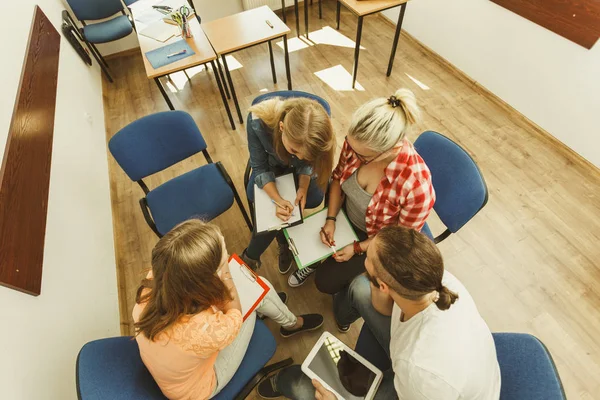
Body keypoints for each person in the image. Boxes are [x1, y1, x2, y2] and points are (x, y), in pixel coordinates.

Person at [257, 225, 501, 399]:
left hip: (424, 385)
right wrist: (373, 280)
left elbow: (420, 373)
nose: (362, 254)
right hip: (423, 362)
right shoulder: (441, 280)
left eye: (366, 258)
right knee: (359, 289)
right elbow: (383, 306)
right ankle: (345, 316)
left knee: (303, 384)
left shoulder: (421, 372)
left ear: (384, 286)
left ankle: (286, 380)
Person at [132, 219, 324, 400]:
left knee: (258, 290)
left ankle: (275, 311)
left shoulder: (157, 280)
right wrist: (225, 274)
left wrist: (219, 272)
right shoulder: (204, 330)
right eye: (222, 262)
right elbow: (234, 314)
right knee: (258, 289)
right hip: (199, 386)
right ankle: (291, 324)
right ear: (202, 282)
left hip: (174, 371)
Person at [287, 88, 435, 297]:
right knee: (313, 246)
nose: (351, 153)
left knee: (325, 283)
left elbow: (395, 240)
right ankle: (316, 259)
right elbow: (337, 178)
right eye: (351, 146)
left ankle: (348, 297)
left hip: (376, 237)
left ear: (392, 150)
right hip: (344, 213)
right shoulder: (358, 145)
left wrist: (357, 248)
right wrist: (331, 218)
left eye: (363, 157)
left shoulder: (417, 188)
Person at [241, 96, 336, 276]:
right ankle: (280, 244)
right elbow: (260, 168)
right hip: (270, 167)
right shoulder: (257, 122)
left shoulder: (315, 138)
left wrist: (302, 187)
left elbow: (307, 164)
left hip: (301, 173)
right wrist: (277, 199)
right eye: (294, 151)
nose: (299, 157)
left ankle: (249, 259)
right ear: (282, 127)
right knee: (275, 216)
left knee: (283, 215)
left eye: (305, 154)